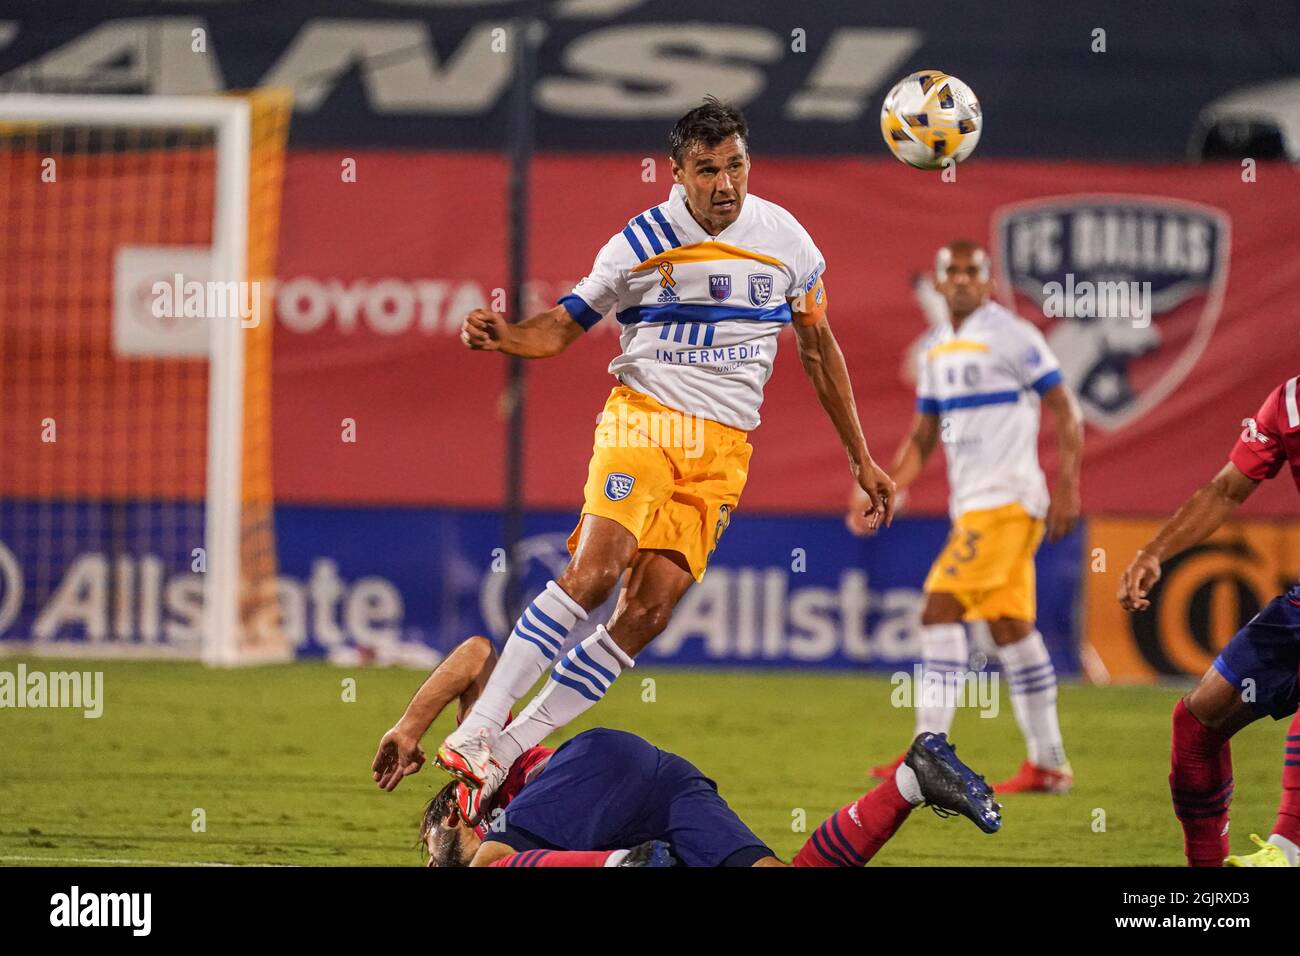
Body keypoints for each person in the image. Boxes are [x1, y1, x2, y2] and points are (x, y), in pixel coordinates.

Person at [438, 96, 896, 813]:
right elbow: (561, 328)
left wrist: (861, 459)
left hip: (722, 450)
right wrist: (504, 335)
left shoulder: (787, 242)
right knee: (595, 572)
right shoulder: (640, 241)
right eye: (707, 169)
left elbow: (817, 347)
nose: (725, 184)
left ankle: (507, 747)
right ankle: (480, 727)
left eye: (736, 165)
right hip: (645, 423)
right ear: (677, 173)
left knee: (648, 612)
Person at [373, 636, 1002, 867]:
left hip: (591, 766)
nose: (432, 866)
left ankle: (629, 864)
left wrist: (410, 727)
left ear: (449, 817)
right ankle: (913, 780)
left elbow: (478, 654)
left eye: (430, 856)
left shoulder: (476, 788)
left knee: (488, 867)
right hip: (655, 777)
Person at [850, 241, 1083, 794]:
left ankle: (925, 753)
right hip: (976, 508)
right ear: (936, 282)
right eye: (950, 272)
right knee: (1010, 629)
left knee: (938, 610)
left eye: (970, 272)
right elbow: (924, 436)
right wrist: (888, 488)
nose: (959, 280)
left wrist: (1068, 486)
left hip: (1009, 501)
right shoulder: (936, 350)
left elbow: (1065, 409)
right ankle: (1049, 763)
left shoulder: (1013, 337)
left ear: (988, 281)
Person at [1118, 377, 1300, 867]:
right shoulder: (1287, 401)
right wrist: (1155, 551)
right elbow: (1225, 489)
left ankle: (1288, 851)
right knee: (1198, 722)